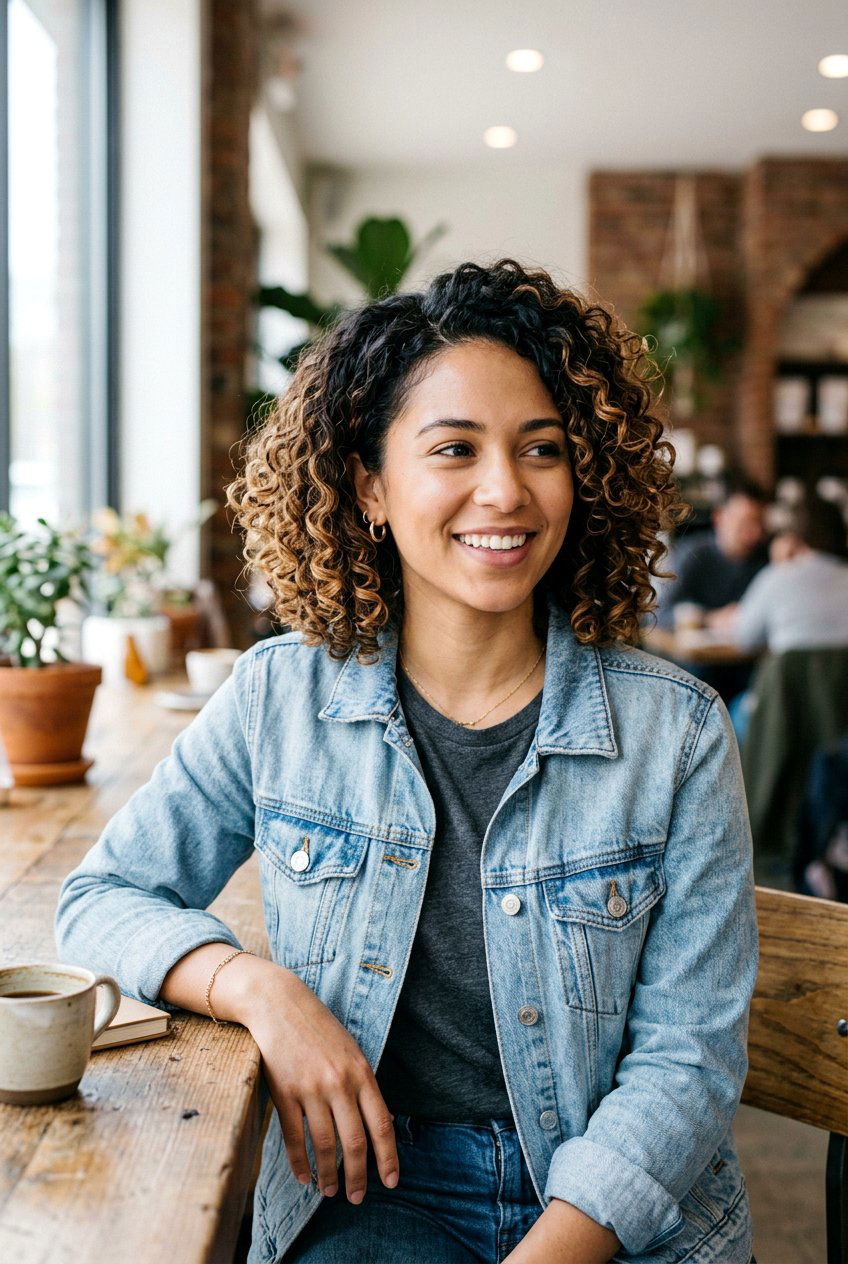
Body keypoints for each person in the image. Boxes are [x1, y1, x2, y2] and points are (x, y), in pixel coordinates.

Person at [54, 259, 758, 1264]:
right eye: (453, 449)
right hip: (377, 1191)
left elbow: (685, 1062)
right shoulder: (277, 698)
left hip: (617, 1212)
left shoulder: (676, 733)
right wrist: (256, 988)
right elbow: (101, 897)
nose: (504, 491)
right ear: (369, 485)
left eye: (540, 449)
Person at [723, 494, 848, 747]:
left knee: (731, 711)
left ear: (792, 537)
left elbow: (743, 638)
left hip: (783, 723)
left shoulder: (777, 577)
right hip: (841, 724)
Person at [656, 479, 770, 631]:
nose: (755, 533)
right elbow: (659, 616)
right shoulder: (693, 554)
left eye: (760, 523)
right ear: (719, 517)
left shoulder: (766, 557)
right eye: (745, 523)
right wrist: (709, 619)